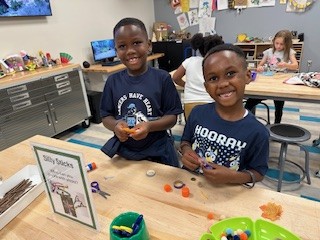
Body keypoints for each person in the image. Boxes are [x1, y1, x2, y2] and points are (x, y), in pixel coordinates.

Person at [180, 44, 269, 186]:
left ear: (247, 76)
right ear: (206, 87)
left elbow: (258, 173)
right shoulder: (197, 113)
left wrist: (233, 177)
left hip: (227, 193)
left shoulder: (258, 132)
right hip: (190, 185)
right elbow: (185, 142)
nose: (222, 84)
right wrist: (187, 152)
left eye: (230, 73)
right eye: (213, 78)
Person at [100, 17, 183, 167]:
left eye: (137, 43)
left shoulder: (162, 78)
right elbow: (106, 116)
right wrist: (116, 126)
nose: (130, 51)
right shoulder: (112, 82)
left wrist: (149, 126)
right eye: (122, 46)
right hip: (124, 152)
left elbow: (172, 118)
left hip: (158, 151)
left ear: (149, 45)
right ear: (116, 50)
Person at [245, 30, 299, 124]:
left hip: (280, 82)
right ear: (273, 41)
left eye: (282, 44)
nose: (278, 46)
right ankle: (246, 121)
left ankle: (276, 126)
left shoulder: (289, 52)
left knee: (279, 107)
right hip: (267, 81)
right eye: (277, 43)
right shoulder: (269, 52)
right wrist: (260, 67)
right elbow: (259, 65)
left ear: (287, 44)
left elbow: (295, 66)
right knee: (251, 101)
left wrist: (286, 65)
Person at [172, 33, 224, 120]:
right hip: (210, 102)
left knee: (192, 129)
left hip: (190, 103)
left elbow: (176, 77)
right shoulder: (218, 64)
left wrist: (187, 85)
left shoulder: (190, 61)